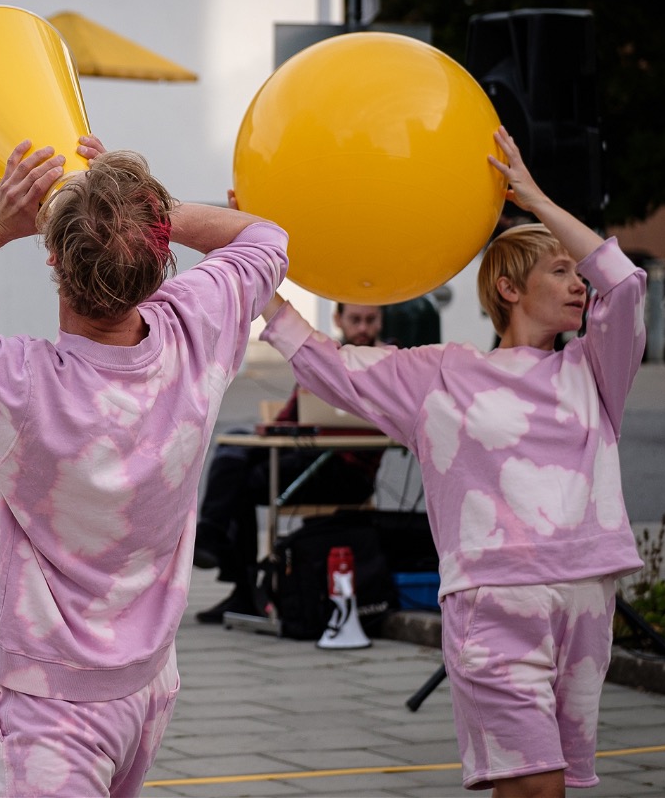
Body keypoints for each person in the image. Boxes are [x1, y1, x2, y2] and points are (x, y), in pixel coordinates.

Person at [0, 137, 288, 797]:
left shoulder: (21, 387)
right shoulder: (198, 329)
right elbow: (265, 238)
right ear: (159, 250)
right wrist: (143, 210)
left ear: (53, 257)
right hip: (148, 682)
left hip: (52, 699)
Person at [259, 127, 645, 796]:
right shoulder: (441, 373)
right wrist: (255, 262)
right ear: (508, 286)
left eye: (574, 270)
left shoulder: (595, 368)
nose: (579, 283)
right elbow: (328, 363)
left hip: (587, 599)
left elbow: (625, 283)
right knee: (534, 786)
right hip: (493, 603)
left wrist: (534, 198)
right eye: (559, 270)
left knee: (558, 788)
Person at [192, 301, 390, 624]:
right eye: (356, 319)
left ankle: (231, 571)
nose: (363, 328)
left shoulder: (387, 363)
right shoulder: (325, 359)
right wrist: (274, 429)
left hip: (348, 470)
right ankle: (222, 553)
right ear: (339, 318)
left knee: (241, 482)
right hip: (308, 456)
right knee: (235, 451)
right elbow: (286, 420)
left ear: (381, 320)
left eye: (371, 319)